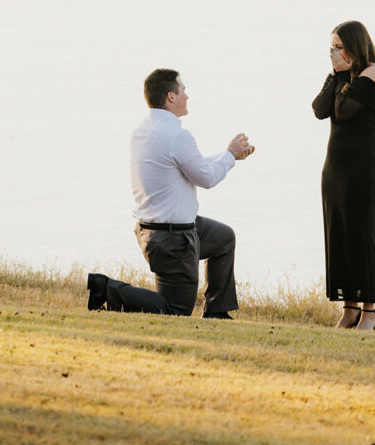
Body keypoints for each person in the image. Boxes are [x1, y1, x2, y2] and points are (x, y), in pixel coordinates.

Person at [87, 68, 254, 318]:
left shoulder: (142, 131)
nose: (187, 95)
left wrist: (229, 155)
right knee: (176, 311)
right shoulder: (177, 135)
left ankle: (216, 312)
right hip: (173, 239)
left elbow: (190, 166)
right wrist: (229, 155)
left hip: (155, 231)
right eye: (183, 90)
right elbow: (206, 178)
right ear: (171, 97)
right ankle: (105, 289)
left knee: (223, 238)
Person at [312, 21, 375, 333]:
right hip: (335, 166)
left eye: (340, 47)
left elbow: (343, 111)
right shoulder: (342, 75)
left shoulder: (373, 74)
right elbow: (319, 109)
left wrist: (341, 74)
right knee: (339, 235)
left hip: (362, 167)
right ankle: (349, 309)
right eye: (331, 47)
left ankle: (369, 311)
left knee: (360, 235)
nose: (334, 53)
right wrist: (336, 73)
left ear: (356, 46)